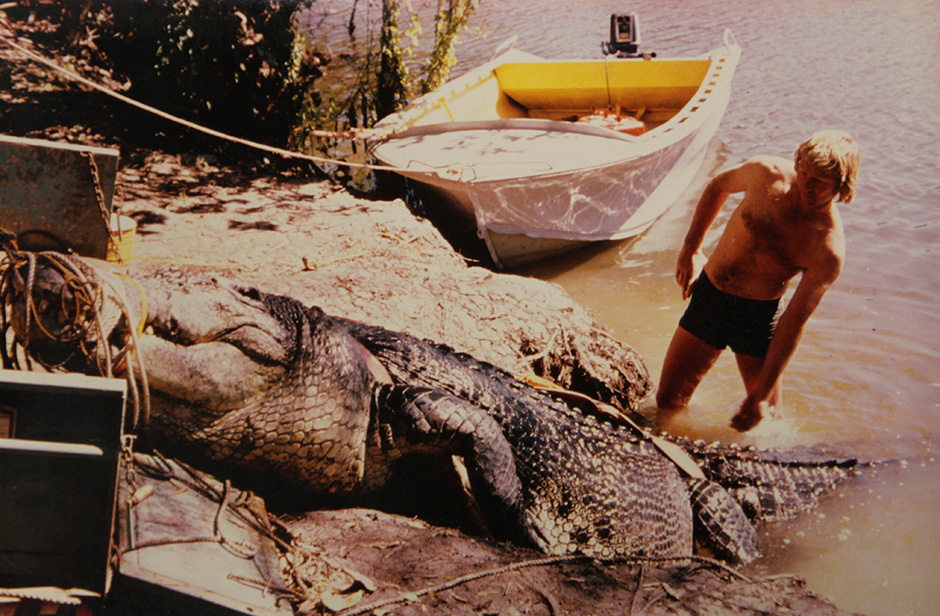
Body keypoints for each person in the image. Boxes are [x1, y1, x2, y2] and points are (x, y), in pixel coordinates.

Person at [655, 130, 860, 431]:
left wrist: (762, 395)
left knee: (766, 421)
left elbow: (793, 323)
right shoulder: (767, 173)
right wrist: (691, 248)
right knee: (667, 403)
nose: (806, 185)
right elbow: (717, 186)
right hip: (710, 298)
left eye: (819, 182)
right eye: (803, 172)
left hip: (756, 320)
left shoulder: (827, 248)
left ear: (843, 186)